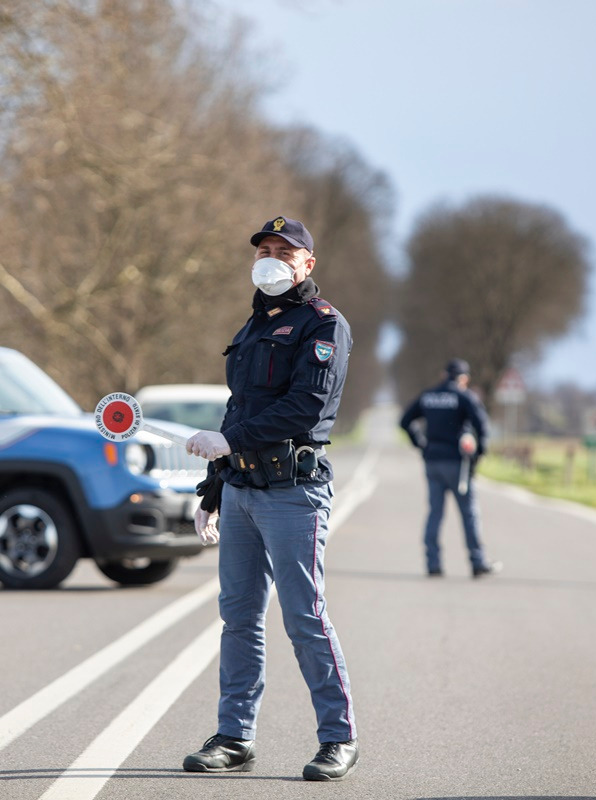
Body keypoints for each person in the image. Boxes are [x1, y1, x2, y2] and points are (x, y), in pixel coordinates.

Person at [182, 215, 358, 781]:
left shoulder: (324, 325)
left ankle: (338, 738)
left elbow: (305, 407)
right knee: (238, 619)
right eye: (264, 250)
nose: (272, 258)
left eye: (285, 251)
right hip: (241, 492)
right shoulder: (255, 324)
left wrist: (230, 441)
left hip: (293, 494)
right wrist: (213, 490)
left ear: (307, 264)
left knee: (305, 618)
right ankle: (234, 737)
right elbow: (239, 409)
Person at [399, 359, 500, 578]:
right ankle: (477, 562)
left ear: (443, 375)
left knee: (435, 513)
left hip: (432, 461)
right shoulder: (465, 397)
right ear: (464, 379)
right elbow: (482, 426)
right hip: (458, 463)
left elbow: (405, 421)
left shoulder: (428, 396)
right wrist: (479, 454)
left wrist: (420, 444)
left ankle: (432, 563)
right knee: (469, 513)